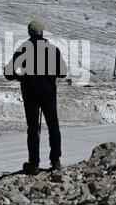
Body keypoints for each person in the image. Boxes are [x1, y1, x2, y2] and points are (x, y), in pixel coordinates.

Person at [4, 21, 68, 175]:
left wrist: (23, 78)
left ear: (29, 33)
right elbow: (62, 73)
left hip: (31, 94)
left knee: (33, 129)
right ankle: (55, 160)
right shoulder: (53, 50)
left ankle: (34, 164)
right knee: (53, 127)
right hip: (49, 94)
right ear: (42, 32)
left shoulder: (24, 49)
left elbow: (9, 73)